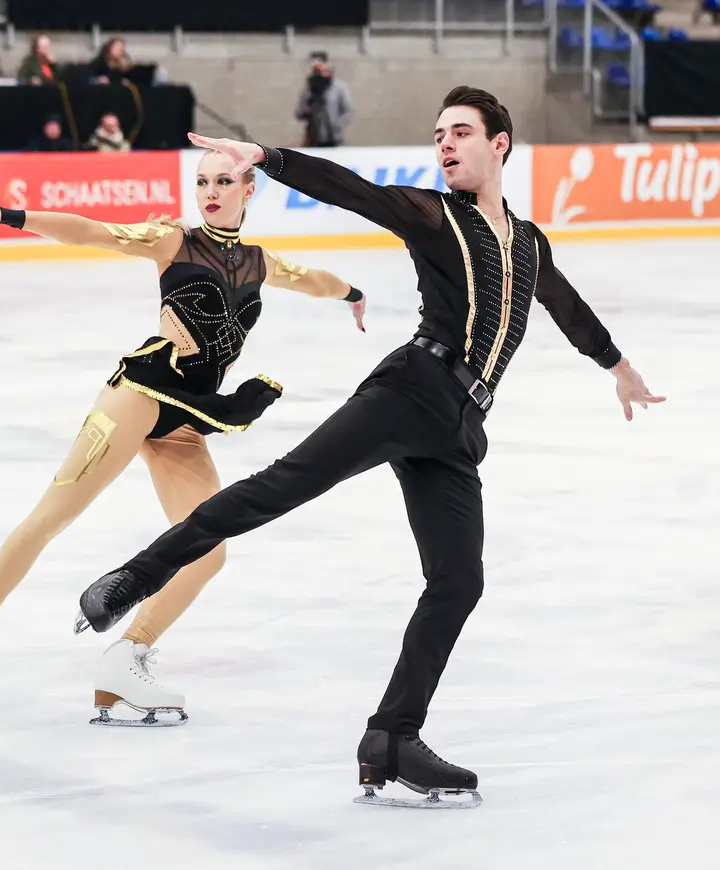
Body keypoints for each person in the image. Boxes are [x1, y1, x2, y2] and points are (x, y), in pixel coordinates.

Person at [75, 86, 665, 802]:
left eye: (460, 133)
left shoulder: (530, 243)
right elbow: (353, 190)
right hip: (411, 389)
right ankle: (133, 578)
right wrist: (269, 158)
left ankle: (391, 737)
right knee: (281, 487)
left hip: (460, 426)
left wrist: (619, 368)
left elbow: (567, 307)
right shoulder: (435, 215)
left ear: (499, 144)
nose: (445, 145)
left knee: (459, 580)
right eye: (439, 135)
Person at [0, 149, 368, 729]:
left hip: (187, 422)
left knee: (208, 548)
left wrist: (352, 294)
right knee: (53, 516)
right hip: (140, 397)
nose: (210, 191)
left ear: (248, 189)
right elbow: (90, 231)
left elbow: (314, 281)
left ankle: (129, 654)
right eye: (202, 181)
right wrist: (7, 215)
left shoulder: (261, 262)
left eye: (223, 181)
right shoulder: (172, 241)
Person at [295, 51, 353, 147]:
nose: (317, 65)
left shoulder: (338, 87)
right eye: (313, 63)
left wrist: (336, 125)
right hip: (313, 138)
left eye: (319, 62)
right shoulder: (308, 87)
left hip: (334, 138)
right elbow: (299, 113)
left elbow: (348, 111)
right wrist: (307, 108)